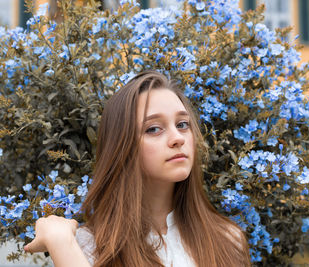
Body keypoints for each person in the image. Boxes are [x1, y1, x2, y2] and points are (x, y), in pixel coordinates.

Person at [24, 70, 251, 266]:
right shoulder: (88, 247)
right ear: (123, 147)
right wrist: (61, 242)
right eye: (153, 129)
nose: (177, 138)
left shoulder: (228, 240)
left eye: (182, 124)